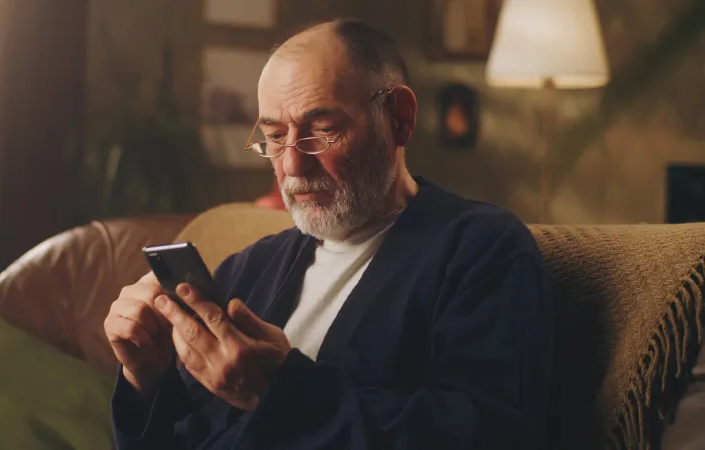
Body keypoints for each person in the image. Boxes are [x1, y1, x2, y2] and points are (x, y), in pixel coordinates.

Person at [105, 19, 554, 450]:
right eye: (275, 136)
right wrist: (145, 380)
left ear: (400, 118)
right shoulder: (249, 268)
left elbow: (486, 435)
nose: (292, 166)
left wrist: (280, 391)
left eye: (323, 130)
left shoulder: (481, 250)